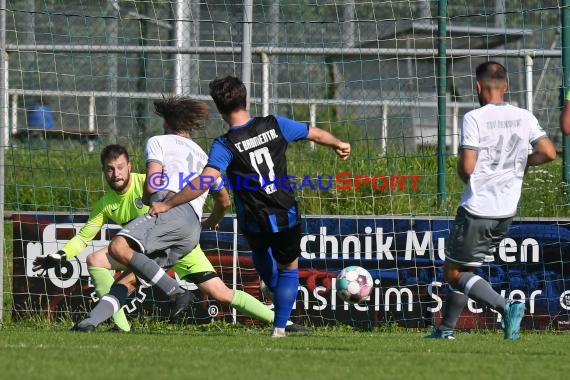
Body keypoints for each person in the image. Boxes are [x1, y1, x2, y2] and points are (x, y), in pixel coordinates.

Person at [149, 76, 351, 337]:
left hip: (254, 220)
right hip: (284, 211)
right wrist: (338, 144)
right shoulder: (275, 124)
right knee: (290, 267)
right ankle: (280, 327)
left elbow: (204, 182)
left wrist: (169, 203)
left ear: (220, 111)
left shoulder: (224, 145)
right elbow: (314, 132)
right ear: (246, 100)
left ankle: (276, 301)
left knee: (261, 258)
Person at [32, 144, 305, 333]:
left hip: (182, 246)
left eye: (120, 168)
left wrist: (212, 194)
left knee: (220, 293)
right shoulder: (105, 203)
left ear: (130, 166)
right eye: (109, 169)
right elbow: (84, 236)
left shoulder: (149, 183)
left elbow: (184, 189)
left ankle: (284, 323)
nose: (115, 174)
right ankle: (117, 324)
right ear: (104, 171)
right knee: (98, 260)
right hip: (148, 254)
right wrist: (61, 255)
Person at [428, 61, 556, 340]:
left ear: (477, 86)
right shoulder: (524, 115)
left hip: (478, 208)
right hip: (506, 212)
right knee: (467, 269)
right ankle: (445, 330)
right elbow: (548, 152)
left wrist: (468, 175)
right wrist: (519, 165)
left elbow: (468, 167)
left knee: (452, 272)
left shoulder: (474, 118)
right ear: (506, 86)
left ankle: (505, 306)